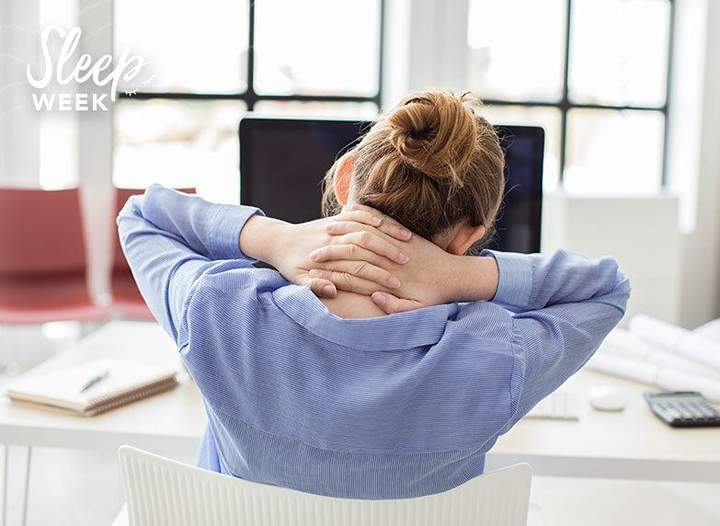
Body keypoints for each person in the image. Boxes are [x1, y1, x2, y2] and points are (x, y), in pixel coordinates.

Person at [118, 90, 630, 499]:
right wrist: (461, 275)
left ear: (344, 182)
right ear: (471, 233)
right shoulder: (497, 355)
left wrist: (273, 238)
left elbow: (143, 215)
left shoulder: (219, 308)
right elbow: (606, 288)